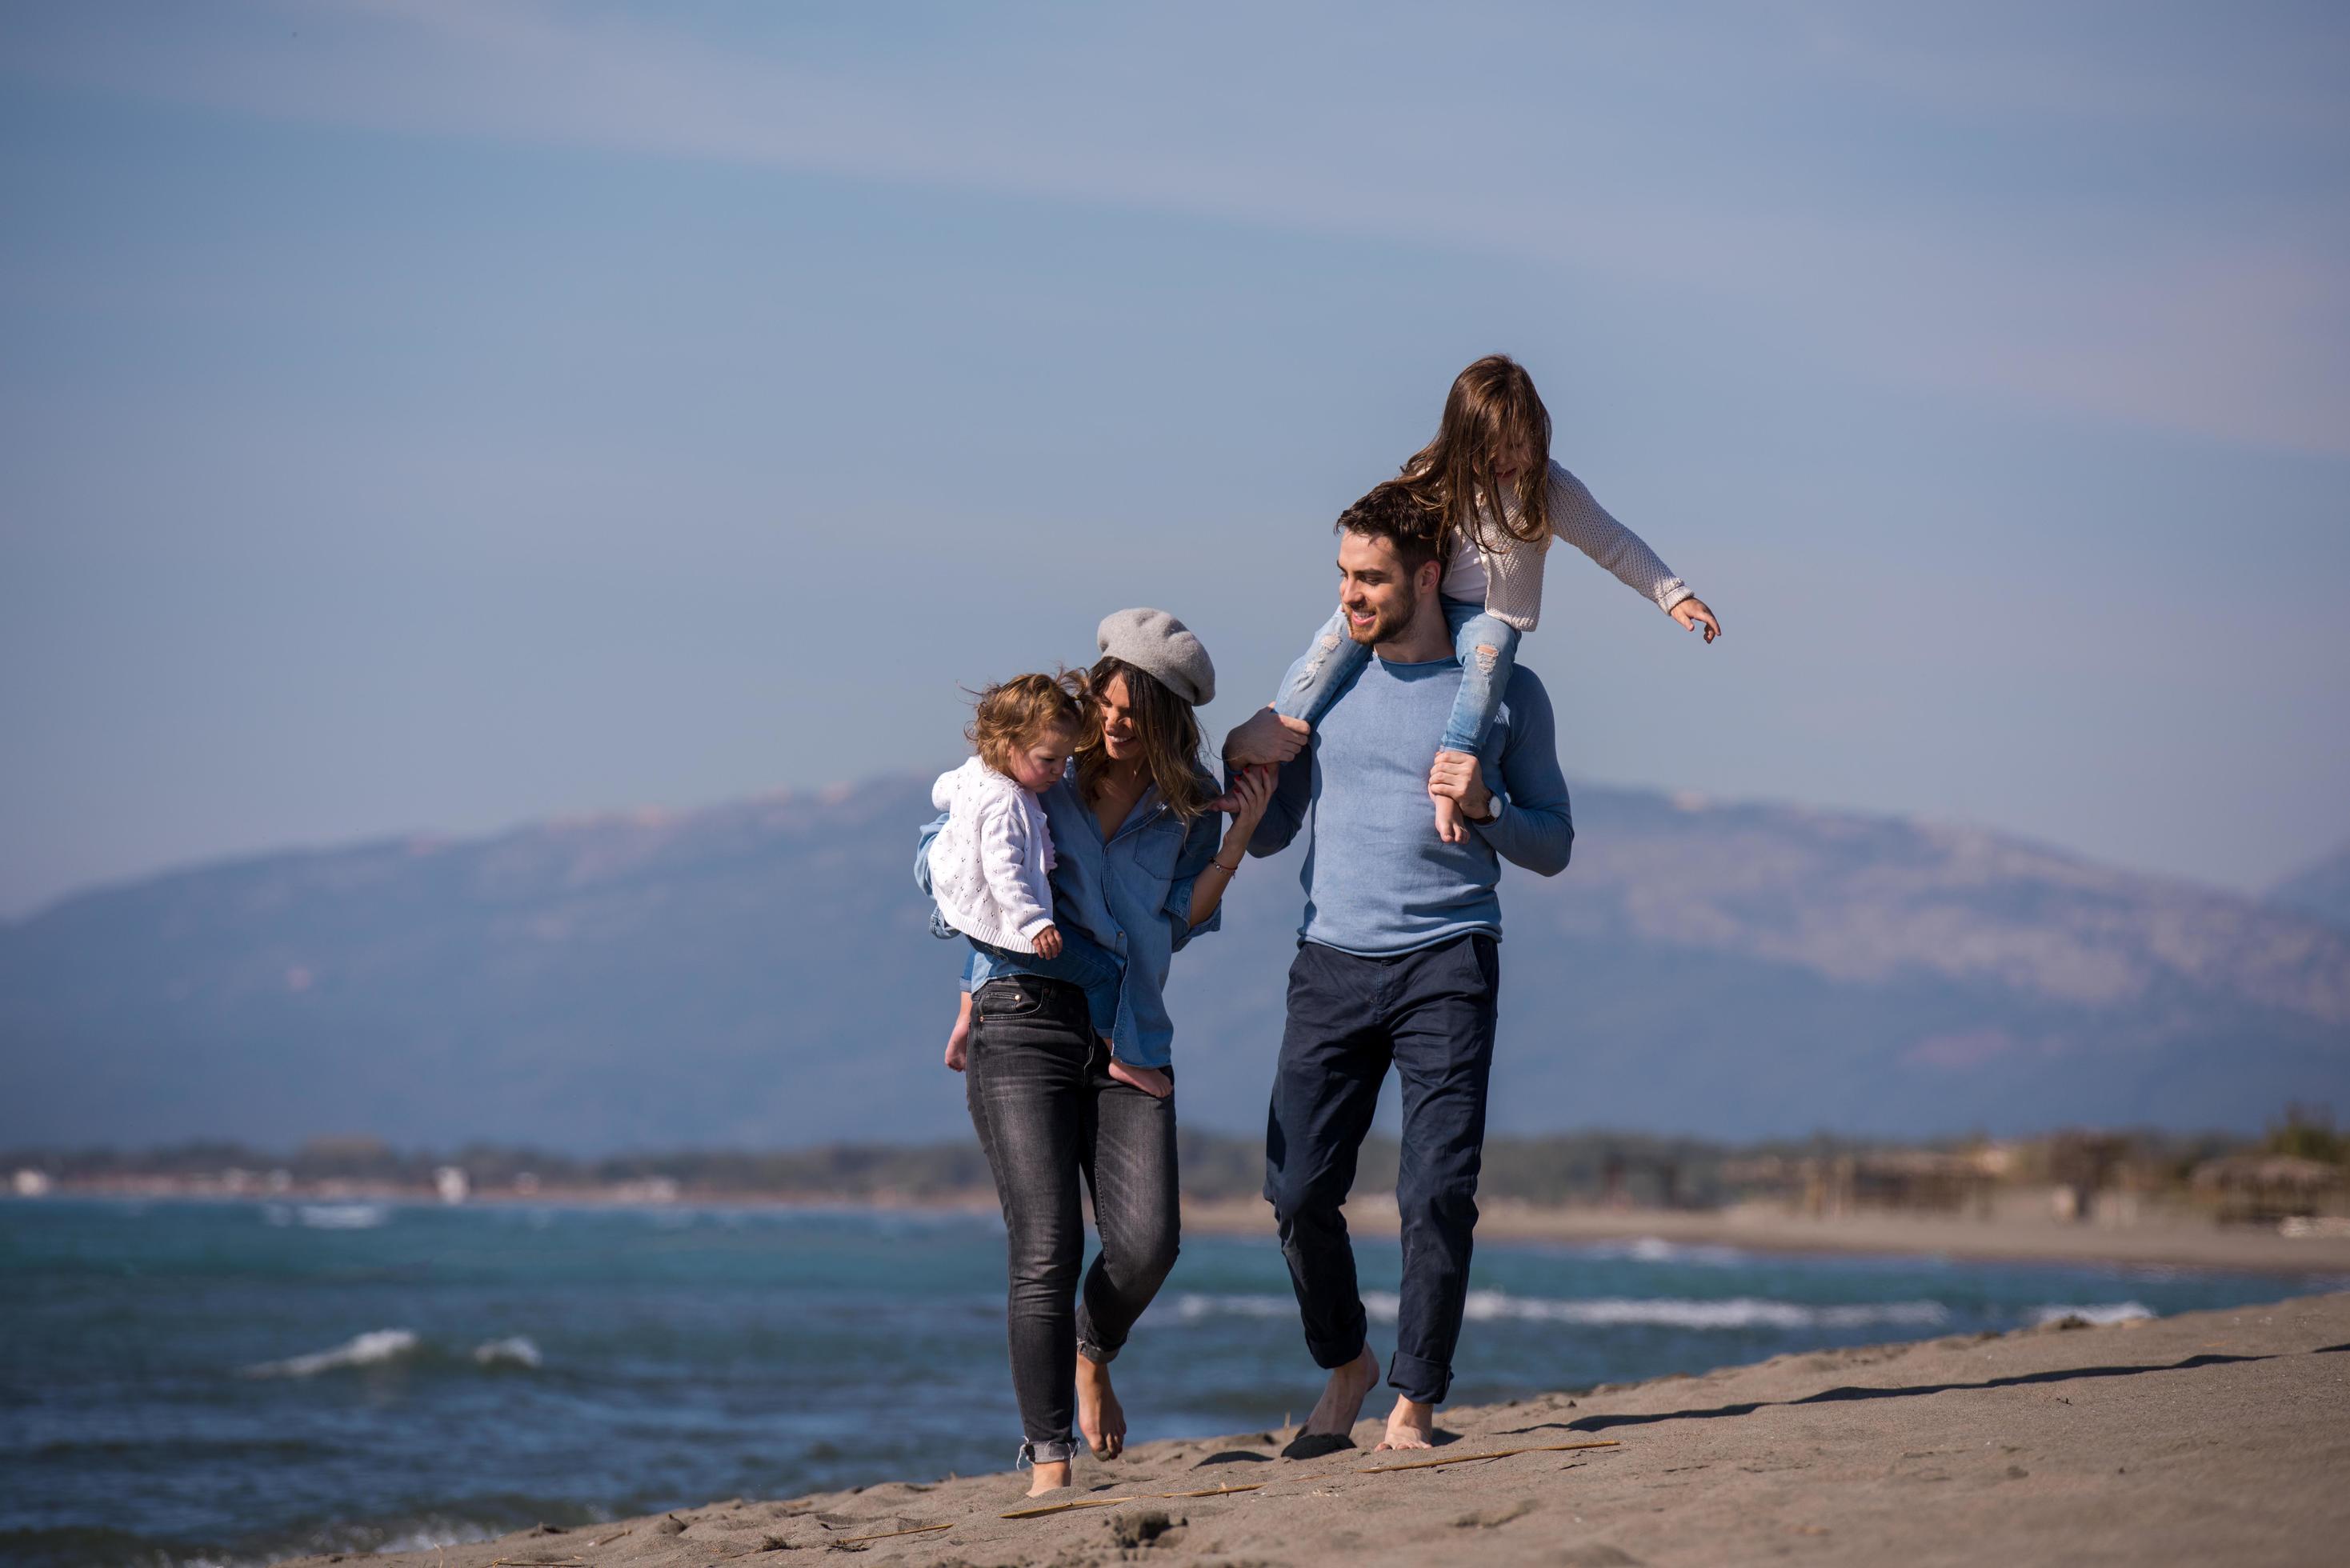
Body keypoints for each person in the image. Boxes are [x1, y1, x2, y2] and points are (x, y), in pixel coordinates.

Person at [1223, 484, 1575, 1454]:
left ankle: (1413, 1404)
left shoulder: (1507, 694)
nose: (1351, 596)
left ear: (1428, 577)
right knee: (1295, 1193)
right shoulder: (1325, 688)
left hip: (1448, 960)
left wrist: (1492, 805)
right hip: (1329, 960)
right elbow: (1271, 835)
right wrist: (1241, 785)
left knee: (1434, 1193)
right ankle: (1349, 1364)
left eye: (1371, 577)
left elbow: (1555, 844)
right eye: (1341, 575)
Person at [916, 609, 1277, 1495]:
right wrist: (973, 943)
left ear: (1171, 720)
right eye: (1107, 702)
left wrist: (1233, 843)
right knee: (1045, 1243)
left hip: (1133, 1035)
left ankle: (1093, 1347)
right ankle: (1048, 1459)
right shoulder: (1039, 770)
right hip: (1027, 1019)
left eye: (1135, 712)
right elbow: (947, 864)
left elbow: (1177, 926)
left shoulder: (1188, 805)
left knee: (1149, 1243)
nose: (1114, 724)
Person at [1268, 354, 1719, 845]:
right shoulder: (1433, 476)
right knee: (1330, 644)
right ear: (1461, 443)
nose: (1506, 460)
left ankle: (1453, 765)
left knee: (1490, 660)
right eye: (1490, 450)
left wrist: (1674, 595)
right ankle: (1274, 731)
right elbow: (1383, 528)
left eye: (1519, 445)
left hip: (1488, 612)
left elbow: (1610, 540)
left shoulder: (1548, 488)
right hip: (1424, 601)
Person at [926, 670, 1146, 1094]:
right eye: (1048, 760)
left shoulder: (979, 773)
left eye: (1064, 759)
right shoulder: (1006, 802)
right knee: (1104, 973)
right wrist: (1035, 922)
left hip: (973, 911)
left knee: (987, 932)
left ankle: (964, 1020)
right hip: (1011, 918)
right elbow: (1004, 871)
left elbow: (943, 790)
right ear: (1009, 746)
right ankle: (1119, 1056)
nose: (1057, 771)